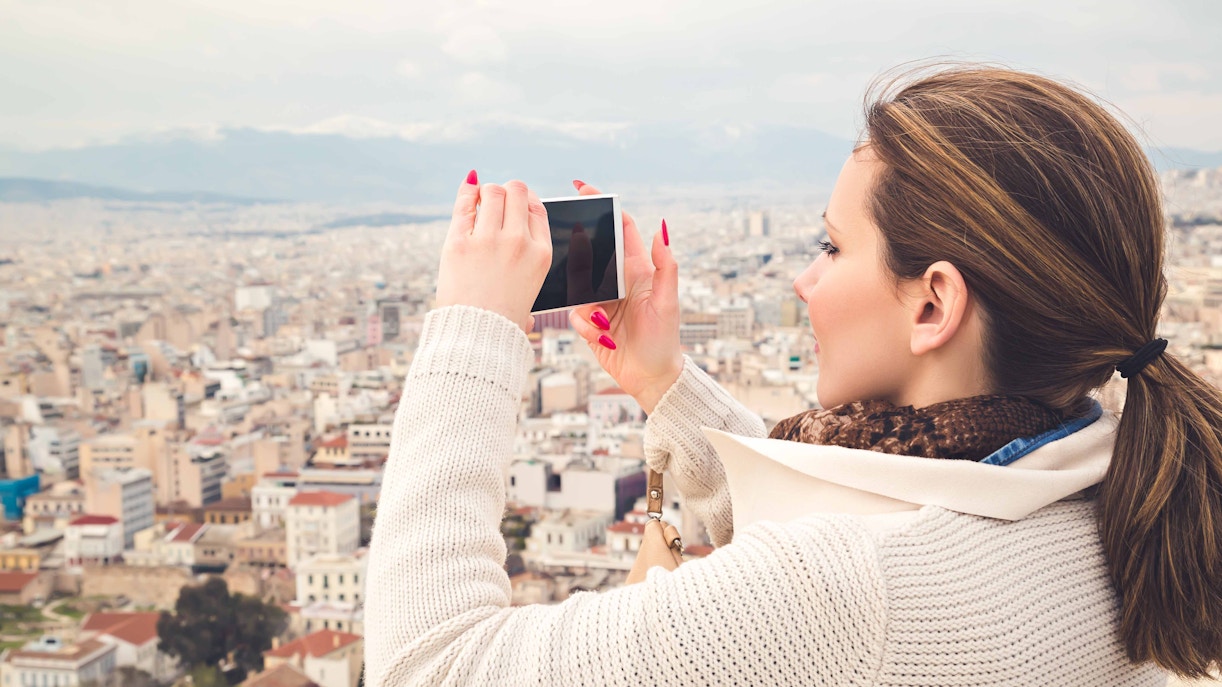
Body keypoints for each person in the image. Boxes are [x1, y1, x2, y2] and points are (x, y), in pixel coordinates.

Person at [363, 66, 1222, 686]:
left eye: (832, 247)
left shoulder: (850, 595)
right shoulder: (1107, 485)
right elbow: (871, 521)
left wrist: (473, 329)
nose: (804, 281)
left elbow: (429, 662)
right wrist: (665, 381)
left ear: (933, 305)